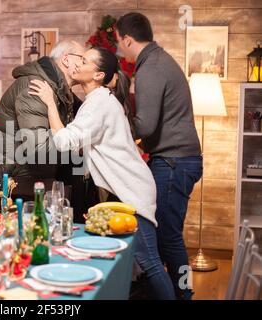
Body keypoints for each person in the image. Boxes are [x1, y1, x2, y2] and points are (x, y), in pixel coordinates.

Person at [29, 46, 176, 300]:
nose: (77, 64)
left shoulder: (98, 104)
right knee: (134, 261)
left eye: (84, 61)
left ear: (98, 75)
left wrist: (49, 102)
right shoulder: (97, 100)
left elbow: (65, 141)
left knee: (149, 261)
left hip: (132, 193)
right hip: (125, 191)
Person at [116, 12, 202, 300]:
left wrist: (116, 121)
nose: (118, 49)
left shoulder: (150, 67)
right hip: (178, 159)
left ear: (127, 39)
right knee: (171, 237)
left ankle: (185, 294)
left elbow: (145, 126)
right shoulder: (159, 59)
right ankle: (182, 292)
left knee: (170, 238)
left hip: (174, 161)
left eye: (119, 42)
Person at [0, 40, 85, 201]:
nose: (85, 64)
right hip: (11, 180)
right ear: (66, 60)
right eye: (82, 58)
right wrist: (76, 147)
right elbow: (38, 150)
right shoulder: (35, 87)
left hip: (25, 177)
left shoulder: (59, 90)